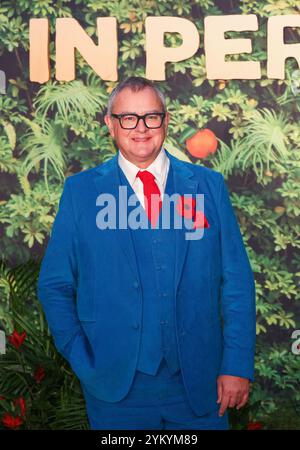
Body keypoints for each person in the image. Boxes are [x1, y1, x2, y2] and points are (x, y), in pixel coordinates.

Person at [37, 76, 256, 430]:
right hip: (115, 388)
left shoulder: (208, 186)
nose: (140, 128)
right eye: (128, 118)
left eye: (151, 117)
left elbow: (236, 284)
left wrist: (236, 365)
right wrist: (83, 359)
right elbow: (54, 285)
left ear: (165, 121)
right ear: (111, 125)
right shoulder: (80, 192)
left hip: (200, 386)